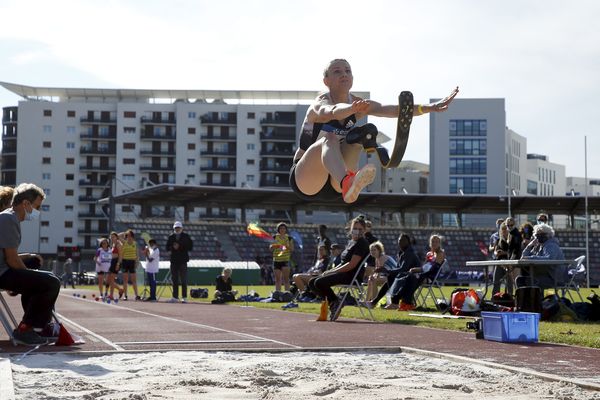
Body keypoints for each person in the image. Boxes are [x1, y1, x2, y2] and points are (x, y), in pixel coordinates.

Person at [289, 58, 458, 204]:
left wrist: (429, 108)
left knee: (363, 133)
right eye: (337, 71)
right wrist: (351, 109)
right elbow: (332, 111)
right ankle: (348, 181)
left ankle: (350, 183)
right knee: (330, 138)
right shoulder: (319, 104)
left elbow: (390, 110)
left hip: (336, 184)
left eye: (348, 71)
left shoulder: (358, 103)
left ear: (353, 77)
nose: (344, 74)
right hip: (306, 179)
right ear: (326, 80)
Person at [0, 183, 61, 345]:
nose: (38, 212)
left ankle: (39, 325)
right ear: (25, 203)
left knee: (37, 268)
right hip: (2, 273)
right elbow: (12, 260)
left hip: (3, 269)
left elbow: (8, 255)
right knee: (51, 282)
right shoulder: (8, 218)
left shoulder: (10, 218)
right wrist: (27, 277)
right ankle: (26, 329)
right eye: (37, 207)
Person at [308, 216, 370, 321]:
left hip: (351, 275)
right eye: (355, 228)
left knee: (319, 282)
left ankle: (335, 301)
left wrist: (334, 271)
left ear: (364, 230)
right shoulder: (351, 242)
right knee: (311, 282)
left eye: (360, 229)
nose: (357, 231)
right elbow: (343, 262)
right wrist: (330, 271)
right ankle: (334, 302)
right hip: (343, 272)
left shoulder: (362, 243)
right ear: (350, 229)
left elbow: (351, 265)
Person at [390, 234, 446, 311]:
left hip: (431, 277)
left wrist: (418, 272)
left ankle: (401, 301)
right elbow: (424, 267)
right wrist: (415, 269)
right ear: (430, 243)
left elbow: (432, 269)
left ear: (439, 243)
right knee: (408, 277)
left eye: (436, 242)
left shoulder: (440, 253)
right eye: (433, 241)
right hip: (423, 275)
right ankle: (404, 302)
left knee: (412, 278)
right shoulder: (429, 254)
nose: (434, 243)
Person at [368, 233, 420, 309]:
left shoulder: (409, 253)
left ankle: (391, 302)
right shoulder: (402, 253)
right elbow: (400, 269)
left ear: (408, 242)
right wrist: (387, 271)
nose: (400, 243)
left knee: (392, 277)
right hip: (406, 276)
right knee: (391, 277)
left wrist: (386, 271)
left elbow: (403, 269)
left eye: (403, 241)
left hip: (414, 277)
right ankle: (375, 301)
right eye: (399, 241)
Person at [517, 223, 566, 289]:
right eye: (537, 235)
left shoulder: (551, 245)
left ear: (549, 235)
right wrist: (529, 246)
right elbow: (523, 257)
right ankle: (530, 298)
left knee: (527, 281)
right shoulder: (538, 246)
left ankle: (534, 298)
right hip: (542, 276)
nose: (539, 236)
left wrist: (531, 258)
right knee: (520, 280)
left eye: (542, 234)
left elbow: (549, 259)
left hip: (553, 278)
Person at [166, 221, 193, 303]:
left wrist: (180, 246)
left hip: (183, 261)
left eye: (178, 227)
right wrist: (172, 247)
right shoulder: (171, 237)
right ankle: (175, 297)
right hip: (174, 261)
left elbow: (190, 247)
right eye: (176, 228)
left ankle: (184, 297)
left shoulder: (186, 236)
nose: (177, 229)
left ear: (182, 228)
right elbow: (167, 247)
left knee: (183, 279)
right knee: (174, 279)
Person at [269, 222, 294, 292]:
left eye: (284, 228)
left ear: (286, 229)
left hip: (285, 260)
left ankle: (287, 294)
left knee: (286, 279)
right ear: (278, 229)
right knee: (277, 279)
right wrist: (275, 246)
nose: (282, 230)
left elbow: (292, 249)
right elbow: (270, 248)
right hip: (276, 260)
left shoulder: (289, 238)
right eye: (280, 228)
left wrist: (287, 246)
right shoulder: (274, 237)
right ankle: (277, 293)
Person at [119, 229, 140, 301]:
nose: (129, 237)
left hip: (132, 262)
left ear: (132, 236)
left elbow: (137, 254)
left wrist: (137, 262)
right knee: (125, 280)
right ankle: (125, 295)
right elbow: (118, 236)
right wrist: (125, 232)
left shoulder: (135, 243)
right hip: (125, 262)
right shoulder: (124, 242)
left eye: (130, 235)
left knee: (134, 280)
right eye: (127, 236)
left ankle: (137, 295)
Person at [491, 222, 511, 295]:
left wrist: (504, 253)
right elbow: (495, 251)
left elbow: (513, 252)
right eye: (502, 229)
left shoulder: (512, 240)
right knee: (496, 282)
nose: (504, 230)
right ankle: (495, 299)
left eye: (505, 229)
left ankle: (510, 298)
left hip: (509, 263)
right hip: (499, 263)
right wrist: (497, 253)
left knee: (509, 284)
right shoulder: (498, 240)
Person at [107, 231, 124, 301]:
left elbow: (120, 255)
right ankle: (120, 289)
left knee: (111, 279)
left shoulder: (118, 244)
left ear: (116, 237)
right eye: (111, 237)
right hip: (112, 262)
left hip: (116, 262)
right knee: (109, 280)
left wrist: (118, 264)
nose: (112, 238)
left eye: (113, 237)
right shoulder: (113, 244)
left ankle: (111, 295)